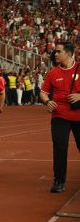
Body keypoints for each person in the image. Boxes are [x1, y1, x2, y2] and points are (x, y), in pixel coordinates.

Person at [39, 42, 80, 193]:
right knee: (60, 148)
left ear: (68, 53)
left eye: (58, 51)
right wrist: (47, 101)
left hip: (79, 115)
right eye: (55, 52)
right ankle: (59, 181)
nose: (55, 54)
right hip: (59, 115)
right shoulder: (53, 73)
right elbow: (43, 92)